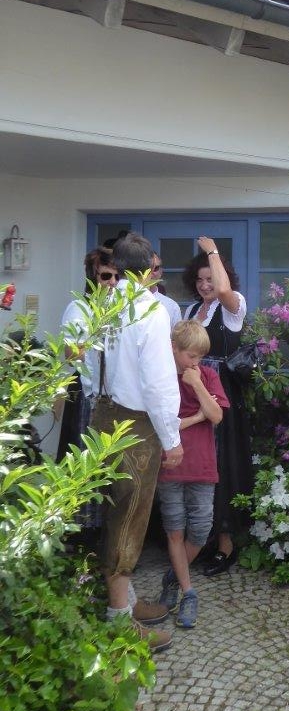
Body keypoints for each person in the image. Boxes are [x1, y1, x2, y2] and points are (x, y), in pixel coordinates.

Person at [90, 232, 183, 653]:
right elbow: (160, 383)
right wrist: (172, 438)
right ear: (147, 269)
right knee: (129, 516)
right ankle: (118, 622)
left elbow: (92, 365)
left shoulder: (105, 302)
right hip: (135, 423)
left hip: (103, 413)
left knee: (113, 509)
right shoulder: (150, 308)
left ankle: (124, 600)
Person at [182, 236, 253, 575]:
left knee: (223, 463)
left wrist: (213, 253)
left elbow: (224, 291)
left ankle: (226, 544)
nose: (205, 284)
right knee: (198, 461)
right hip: (192, 389)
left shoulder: (233, 304)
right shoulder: (190, 311)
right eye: (200, 279)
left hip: (221, 389)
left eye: (210, 277)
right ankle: (203, 537)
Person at [156, 320, 229, 628]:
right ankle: (189, 593)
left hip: (201, 466)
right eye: (191, 356)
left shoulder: (208, 376)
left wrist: (197, 383)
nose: (196, 362)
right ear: (173, 349)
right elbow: (164, 423)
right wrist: (194, 417)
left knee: (200, 531)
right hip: (169, 466)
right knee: (174, 530)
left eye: (200, 356)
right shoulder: (161, 379)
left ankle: (172, 578)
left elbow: (216, 416)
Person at [56, 247, 118, 540]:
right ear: (93, 277)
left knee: (107, 465)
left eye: (117, 276)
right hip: (86, 392)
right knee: (82, 462)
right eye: (106, 276)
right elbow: (70, 354)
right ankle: (80, 534)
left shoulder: (121, 310)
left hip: (113, 394)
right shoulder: (79, 308)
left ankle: (104, 531)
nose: (112, 282)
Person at [149, 251, 182, 328]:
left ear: (161, 271)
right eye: (147, 268)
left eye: (155, 268)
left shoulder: (172, 306)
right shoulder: (126, 303)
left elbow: (178, 339)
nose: (150, 273)